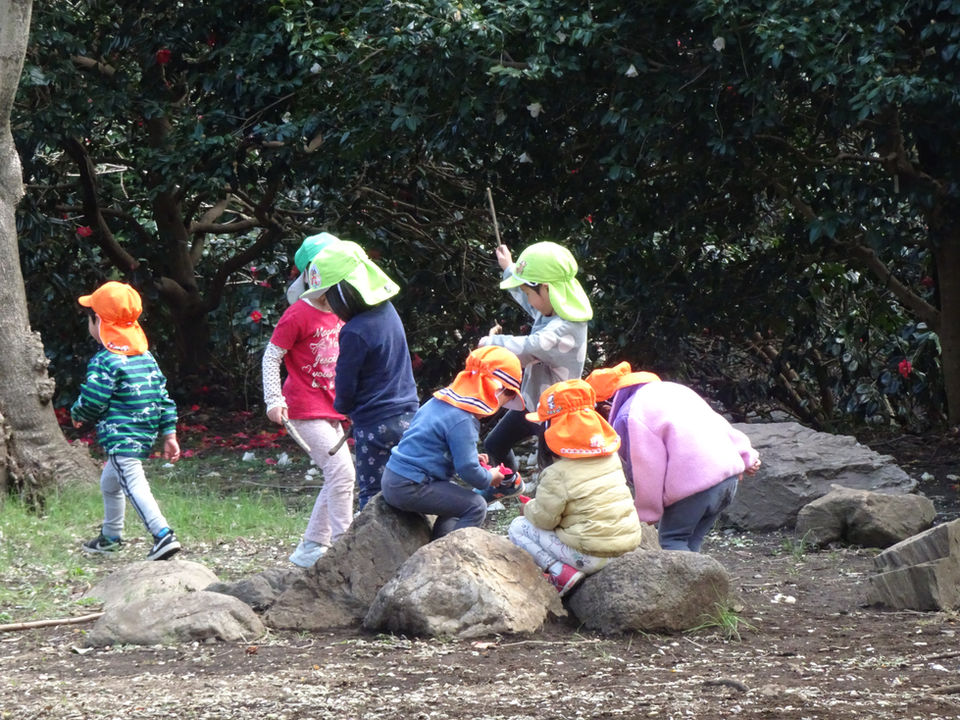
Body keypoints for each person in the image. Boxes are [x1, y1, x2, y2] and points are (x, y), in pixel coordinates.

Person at [586, 362, 762, 552]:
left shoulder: (628, 416)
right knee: (692, 542)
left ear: (604, 408)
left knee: (672, 542)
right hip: (728, 478)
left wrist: (645, 514)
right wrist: (746, 456)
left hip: (695, 484)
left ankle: (691, 582)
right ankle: (706, 581)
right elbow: (717, 422)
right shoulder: (672, 389)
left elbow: (645, 470)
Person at [303, 238, 419, 510]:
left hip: (374, 425)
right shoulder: (388, 311)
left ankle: (371, 549)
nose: (328, 305)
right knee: (407, 483)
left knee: (372, 494)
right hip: (409, 415)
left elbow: (345, 382)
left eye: (328, 297)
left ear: (344, 293)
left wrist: (342, 406)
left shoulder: (354, 331)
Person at [70, 281, 182, 561]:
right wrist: (169, 433)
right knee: (110, 483)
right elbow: (163, 397)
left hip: (121, 437)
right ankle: (110, 537)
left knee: (133, 484)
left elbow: (94, 398)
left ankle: (163, 534)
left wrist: (78, 413)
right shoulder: (146, 358)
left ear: (98, 322)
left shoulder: (105, 360)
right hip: (143, 434)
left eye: (90, 317)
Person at [263, 233, 356, 567]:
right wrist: (273, 399)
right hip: (303, 409)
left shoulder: (341, 312)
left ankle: (311, 546)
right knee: (342, 473)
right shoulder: (298, 314)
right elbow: (271, 356)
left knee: (339, 475)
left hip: (333, 408)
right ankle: (347, 547)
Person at [508, 379, 644, 597]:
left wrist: (530, 509)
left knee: (517, 526)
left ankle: (559, 572)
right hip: (625, 547)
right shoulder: (611, 457)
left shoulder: (557, 473)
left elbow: (545, 520)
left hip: (589, 556)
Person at [381, 346, 525, 539]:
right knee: (475, 505)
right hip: (411, 485)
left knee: (456, 504)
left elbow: (431, 443)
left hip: (396, 478)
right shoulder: (464, 419)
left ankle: (439, 543)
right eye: (505, 399)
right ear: (495, 391)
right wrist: (490, 477)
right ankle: (453, 553)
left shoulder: (440, 402)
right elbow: (468, 471)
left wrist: (473, 456)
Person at [479, 241, 593, 472]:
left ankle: (546, 506)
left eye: (529, 292)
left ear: (546, 288)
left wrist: (487, 343)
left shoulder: (566, 328)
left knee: (550, 471)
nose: (528, 300)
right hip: (532, 403)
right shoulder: (551, 309)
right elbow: (530, 303)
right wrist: (510, 268)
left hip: (556, 412)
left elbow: (528, 348)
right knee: (494, 445)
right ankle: (510, 484)